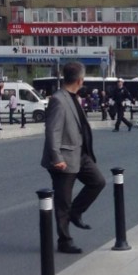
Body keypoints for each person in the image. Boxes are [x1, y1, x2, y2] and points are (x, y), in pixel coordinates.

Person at [40, 61, 106, 254]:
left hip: (80, 154)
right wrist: (57, 158)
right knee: (63, 201)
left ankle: (75, 212)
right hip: (64, 158)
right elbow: (52, 131)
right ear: (80, 80)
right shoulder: (58, 100)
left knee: (98, 182)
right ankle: (65, 240)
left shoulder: (73, 97)